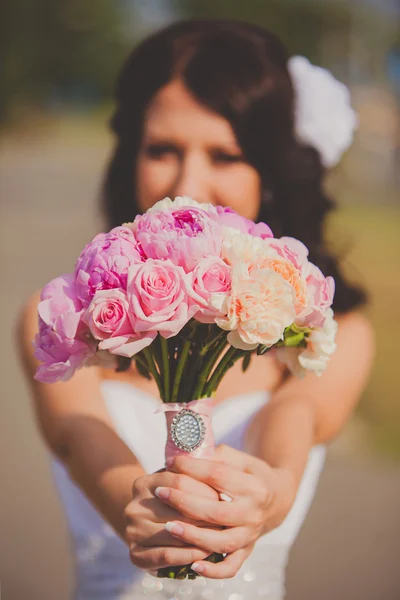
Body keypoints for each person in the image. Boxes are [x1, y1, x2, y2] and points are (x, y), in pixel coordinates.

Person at [18, 19, 374, 600]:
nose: (188, 183)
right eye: (161, 150)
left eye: (226, 155)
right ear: (128, 154)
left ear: (273, 171)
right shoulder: (60, 315)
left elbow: (293, 419)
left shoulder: (330, 327)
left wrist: (272, 495)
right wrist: (135, 500)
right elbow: (78, 439)